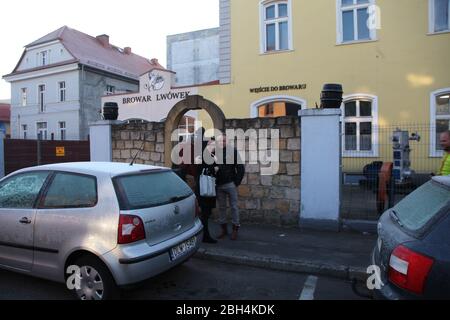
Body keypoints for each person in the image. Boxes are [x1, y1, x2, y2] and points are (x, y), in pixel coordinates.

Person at [215, 133, 245, 241]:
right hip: (219, 185)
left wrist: (236, 182)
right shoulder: (215, 152)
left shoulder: (233, 152)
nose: (221, 143)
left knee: (234, 207)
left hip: (230, 184)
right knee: (221, 208)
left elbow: (240, 168)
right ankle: (224, 230)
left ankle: (235, 230)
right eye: (219, 141)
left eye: (223, 141)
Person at [195, 135, 219, 244]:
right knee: (204, 214)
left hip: (207, 189)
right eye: (212, 144)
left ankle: (205, 235)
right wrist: (214, 169)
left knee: (206, 213)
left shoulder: (210, 155)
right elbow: (200, 170)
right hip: (204, 189)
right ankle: (205, 236)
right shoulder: (202, 156)